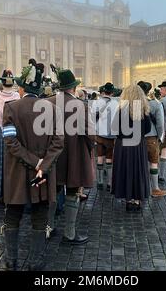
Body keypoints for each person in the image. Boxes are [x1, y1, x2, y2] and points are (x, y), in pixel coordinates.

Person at [2, 62, 64, 271]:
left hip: (17, 171)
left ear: (21, 88)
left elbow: (10, 142)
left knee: (13, 214)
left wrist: (32, 161)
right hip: (44, 173)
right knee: (40, 215)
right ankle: (35, 263)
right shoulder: (53, 109)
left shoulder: (10, 108)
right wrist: (42, 164)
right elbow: (58, 142)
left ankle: (11, 260)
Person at [48, 67, 95, 245]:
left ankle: (49, 227)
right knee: (74, 191)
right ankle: (69, 233)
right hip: (75, 152)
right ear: (73, 88)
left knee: (54, 189)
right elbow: (91, 132)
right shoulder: (80, 105)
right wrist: (89, 146)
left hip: (53, 153)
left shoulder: (47, 102)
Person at [111, 84, 151, 212]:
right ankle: (137, 199)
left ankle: (128, 199)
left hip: (123, 146)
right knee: (138, 170)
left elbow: (115, 129)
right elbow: (148, 129)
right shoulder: (143, 110)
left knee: (125, 170)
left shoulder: (121, 110)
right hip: (138, 145)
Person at [0, 70, 20, 203]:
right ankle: (12, 192)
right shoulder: (18, 96)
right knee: (13, 161)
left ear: (2, 82)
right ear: (13, 83)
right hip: (13, 131)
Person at [138, 82, 166, 198]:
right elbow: (160, 123)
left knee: (140, 163)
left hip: (137, 137)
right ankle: (155, 189)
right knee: (153, 163)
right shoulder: (156, 103)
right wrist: (160, 137)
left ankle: (140, 188)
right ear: (149, 90)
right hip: (152, 137)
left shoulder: (134, 104)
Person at [91, 82, 119, 191]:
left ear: (103, 92)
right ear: (112, 93)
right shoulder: (116, 104)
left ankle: (99, 182)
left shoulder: (96, 102)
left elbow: (92, 118)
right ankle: (109, 183)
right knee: (109, 158)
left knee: (99, 157)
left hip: (99, 134)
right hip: (111, 135)